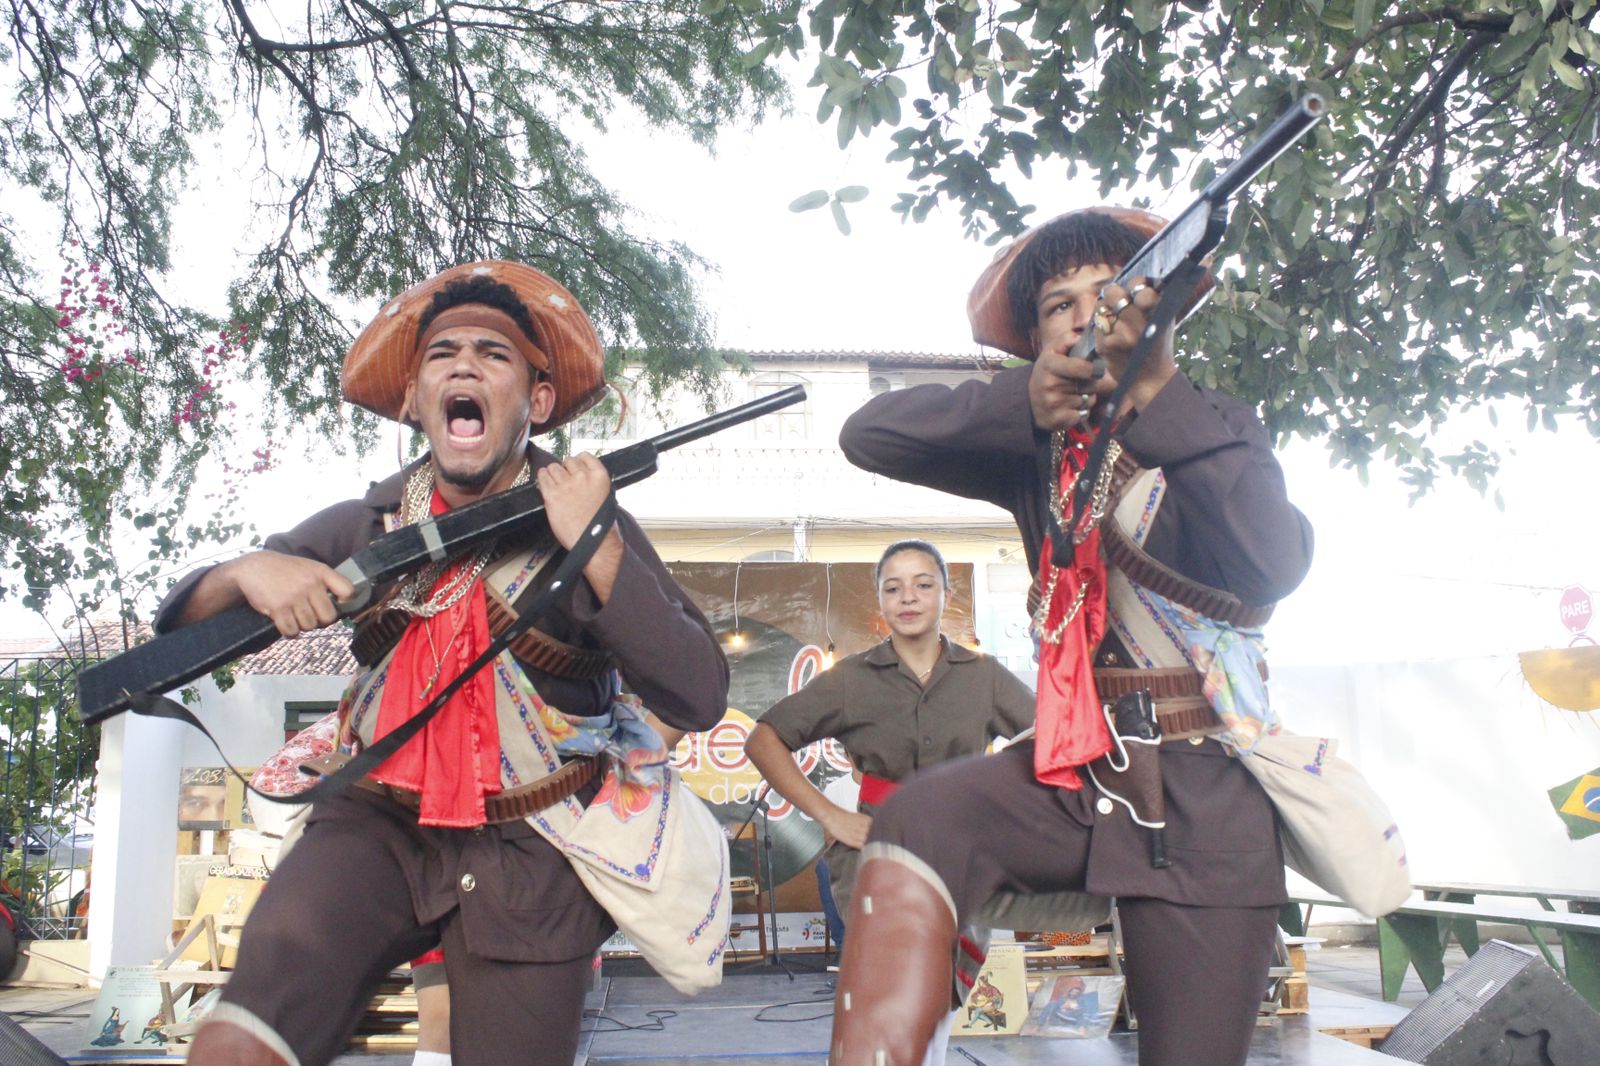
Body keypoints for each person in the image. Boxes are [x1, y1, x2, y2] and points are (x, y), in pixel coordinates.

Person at [156, 261, 729, 1066]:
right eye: (442, 354)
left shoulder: (592, 515)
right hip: (375, 826)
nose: (465, 365)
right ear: (416, 401)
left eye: (494, 355)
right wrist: (244, 571)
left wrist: (595, 539)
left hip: (535, 850)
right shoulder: (367, 522)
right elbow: (175, 633)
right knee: (245, 1032)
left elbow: (700, 691)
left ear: (534, 403)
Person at [831, 207, 1314, 1066]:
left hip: (1209, 793)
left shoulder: (1220, 426)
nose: (1088, 313)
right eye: (1060, 303)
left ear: (1161, 310)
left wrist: (1160, 395)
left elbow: (1272, 564)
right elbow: (868, 435)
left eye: (1111, 292)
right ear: (1040, 336)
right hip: (1080, 772)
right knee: (916, 820)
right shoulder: (1035, 445)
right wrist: (1024, 402)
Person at [744, 539, 1034, 940]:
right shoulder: (849, 679)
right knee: (888, 990)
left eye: (923, 585)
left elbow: (1051, 741)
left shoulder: (985, 676)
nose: (908, 598)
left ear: (947, 595)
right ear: (880, 601)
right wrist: (829, 815)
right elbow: (763, 740)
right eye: (893, 588)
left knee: (948, 993)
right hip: (874, 860)